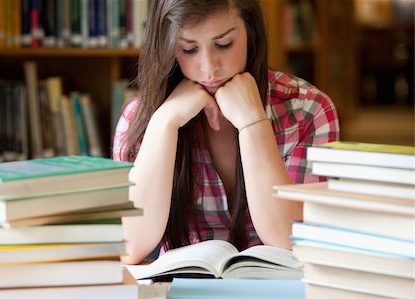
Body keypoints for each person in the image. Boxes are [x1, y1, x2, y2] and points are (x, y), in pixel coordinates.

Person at [113, 0, 339, 264]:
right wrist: (165, 123)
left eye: (224, 44)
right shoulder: (141, 119)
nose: (209, 67)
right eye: (188, 49)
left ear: (250, 32)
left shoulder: (309, 110)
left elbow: (292, 242)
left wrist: (253, 123)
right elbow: (130, 245)